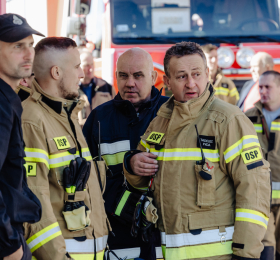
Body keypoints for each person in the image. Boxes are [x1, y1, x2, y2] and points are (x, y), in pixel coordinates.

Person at [123, 42, 271, 260]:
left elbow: (254, 190)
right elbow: (141, 181)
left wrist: (246, 253)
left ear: (207, 74)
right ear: (168, 82)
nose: (191, 83)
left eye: (196, 74)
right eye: (182, 76)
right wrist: (133, 165)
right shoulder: (160, 122)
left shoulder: (229, 120)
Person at [22, 37, 109, 260]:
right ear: (56, 73)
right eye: (77, 67)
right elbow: (34, 203)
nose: (82, 74)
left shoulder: (66, 114)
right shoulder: (31, 119)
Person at [83, 48, 168, 259]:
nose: (130, 83)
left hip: (166, 239)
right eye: (123, 75)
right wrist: (128, 168)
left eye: (138, 75)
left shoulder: (172, 114)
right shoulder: (99, 119)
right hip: (116, 239)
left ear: (153, 77)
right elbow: (88, 182)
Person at [0, 13, 43, 260]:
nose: (28, 54)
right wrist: (9, 246)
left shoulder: (3, 98)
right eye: (18, 47)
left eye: (31, 45)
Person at [245, 70, 280, 260]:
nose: (263, 91)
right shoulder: (248, 117)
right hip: (259, 197)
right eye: (260, 87)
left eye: (268, 87)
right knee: (266, 248)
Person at [79, 50, 116, 124]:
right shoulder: (70, 90)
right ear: (78, 66)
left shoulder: (107, 88)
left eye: (92, 64)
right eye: (86, 65)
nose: (91, 69)